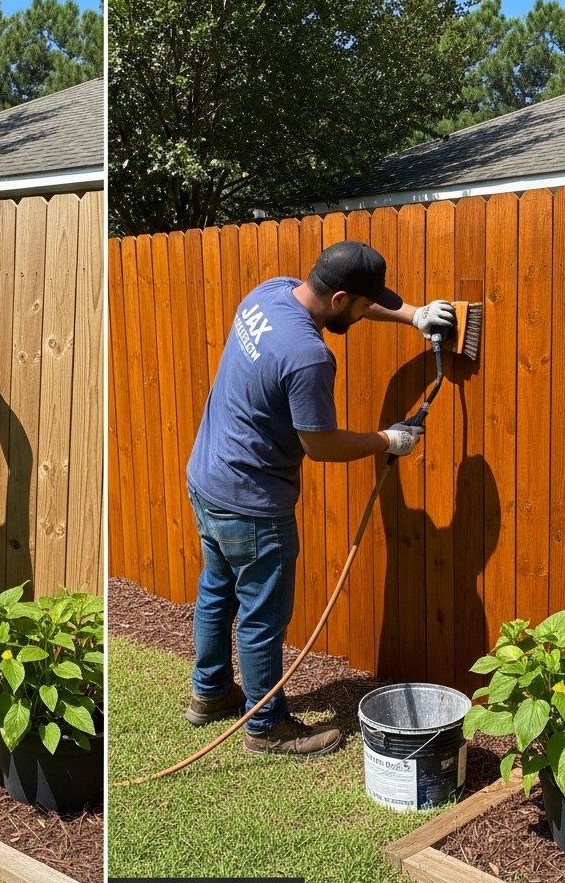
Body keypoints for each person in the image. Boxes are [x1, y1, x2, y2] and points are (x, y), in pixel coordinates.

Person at [184, 240, 456, 756]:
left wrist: (412, 315)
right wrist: (386, 440)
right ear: (339, 300)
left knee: (216, 593)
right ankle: (266, 727)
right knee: (262, 616)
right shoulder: (308, 356)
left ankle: (210, 694)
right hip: (252, 503)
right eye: (361, 305)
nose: (363, 312)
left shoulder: (271, 292)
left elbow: (354, 299)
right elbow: (320, 444)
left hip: (208, 477)